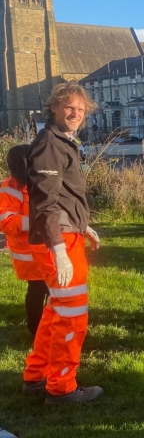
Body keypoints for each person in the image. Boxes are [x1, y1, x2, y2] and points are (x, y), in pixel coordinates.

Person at [22, 82, 103, 404]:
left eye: (81, 110)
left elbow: (63, 196)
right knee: (71, 315)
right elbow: (45, 201)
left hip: (67, 234)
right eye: (69, 107)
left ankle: (36, 376)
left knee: (56, 311)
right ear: (53, 107)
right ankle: (62, 387)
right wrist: (59, 250)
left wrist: (84, 226)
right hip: (59, 242)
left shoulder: (60, 142)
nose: (75, 113)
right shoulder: (50, 145)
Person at [0, 144, 49, 338]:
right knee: (38, 290)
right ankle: (36, 329)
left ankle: (48, 325)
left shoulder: (37, 182)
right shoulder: (9, 188)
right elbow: (5, 220)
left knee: (51, 289)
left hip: (44, 248)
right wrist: (34, 223)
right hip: (28, 253)